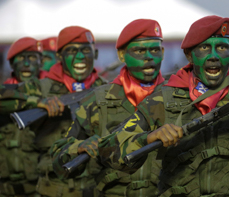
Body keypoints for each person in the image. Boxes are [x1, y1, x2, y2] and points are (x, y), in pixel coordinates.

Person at [91, 15, 229, 196]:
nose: (213, 56)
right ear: (189, 55)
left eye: (221, 47)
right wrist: (148, 137)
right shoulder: (161, 100)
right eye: (204, 48)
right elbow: (109, 150)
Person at [51, 19, 166, 197]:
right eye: (139, 50)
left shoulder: (176, 96)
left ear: (163, 53)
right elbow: (59, 160)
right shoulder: (97, 100)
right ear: (121, 55)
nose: (148, 56)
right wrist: (79, 147)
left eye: (155, 50)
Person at [15, 26, 107, 197]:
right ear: (59, 56)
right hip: (54, 189)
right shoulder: (40, 88)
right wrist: (37, 102)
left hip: (96, 188)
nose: (80, 57)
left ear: (95, 54)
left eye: (86, 50)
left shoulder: (107, 89)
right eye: (72, 51)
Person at [0, 39, 63, 197]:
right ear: (11, 64)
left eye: (33, 58)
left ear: (41, 62)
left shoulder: (53, 96)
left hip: (39, 188)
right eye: (21, 58)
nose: (27, 64)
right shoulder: (4, 94)